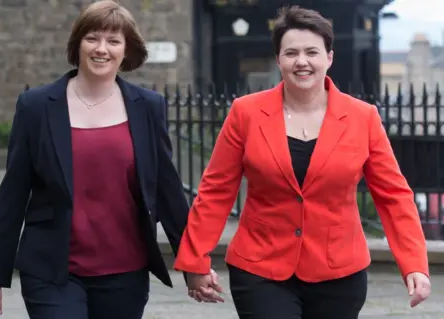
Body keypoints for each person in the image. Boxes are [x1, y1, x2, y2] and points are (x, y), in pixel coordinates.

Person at [173, 5, 431, 319]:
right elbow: (215, 192)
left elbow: (394, 196)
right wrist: (194, 261)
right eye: (291, 52)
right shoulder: (246, 113)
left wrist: (414, 264)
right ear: (278, 59)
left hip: (339, 272)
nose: (302, 61)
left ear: (329, 57)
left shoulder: (363, 117)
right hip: (260, 268)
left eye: (312, 51)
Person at [0, 1, 220, 318]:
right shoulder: (36, 107)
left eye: (113, 40)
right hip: (51, 269)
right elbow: (13, 195)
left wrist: (193, 265)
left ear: (126, 50)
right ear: (77, 44)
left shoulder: (147, 107)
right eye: (92, 38)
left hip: (125, 271)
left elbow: (167, 192)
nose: (101, 49)